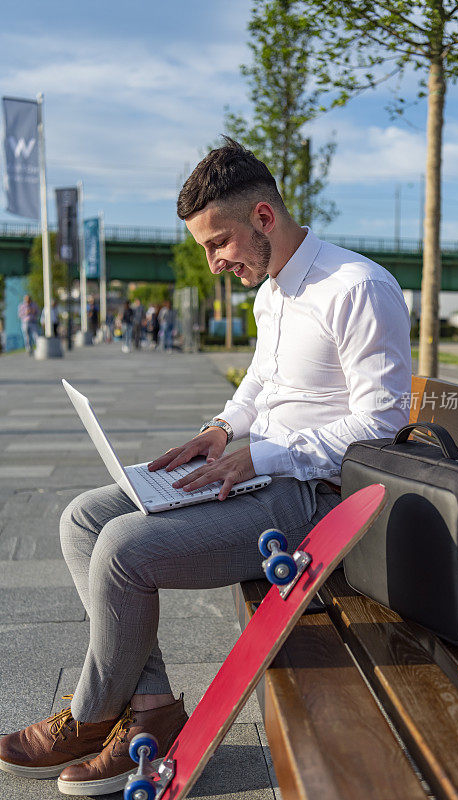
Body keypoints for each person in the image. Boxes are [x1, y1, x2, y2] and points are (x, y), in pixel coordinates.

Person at [0, 138, 411, 796]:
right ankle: (154, 708)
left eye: (218, 243)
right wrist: (218, 433)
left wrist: (264, 454)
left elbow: (382, 424)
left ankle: (90, 716)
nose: (216, 263)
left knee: (124, 549)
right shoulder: (273, 294)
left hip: (313, 501)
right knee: (84, 518)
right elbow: (260, 386)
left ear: (263, 218)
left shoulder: (357, 287)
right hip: (255, 474)